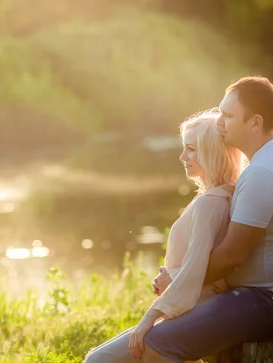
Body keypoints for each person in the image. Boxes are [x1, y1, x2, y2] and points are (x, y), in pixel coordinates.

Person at [145, 76, 273, 363]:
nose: (219, 121)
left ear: (255, 122)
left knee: (158, 342)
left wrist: (177, 281)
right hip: (260, 296)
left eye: (228, 115)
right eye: (220, 112)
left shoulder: (263, 172)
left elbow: (231, 256)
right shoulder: (265, 161)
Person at [84, 108, 245, 363]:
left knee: (97, 360)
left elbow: (200, 272)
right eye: (184, 148)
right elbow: (203, 265)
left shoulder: (211, 203)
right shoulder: (219, 195)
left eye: (191, 149)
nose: (183, 156)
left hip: (191, 308)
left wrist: (149, 318)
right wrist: (171, 276)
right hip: (186, 306)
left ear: (211, 151)